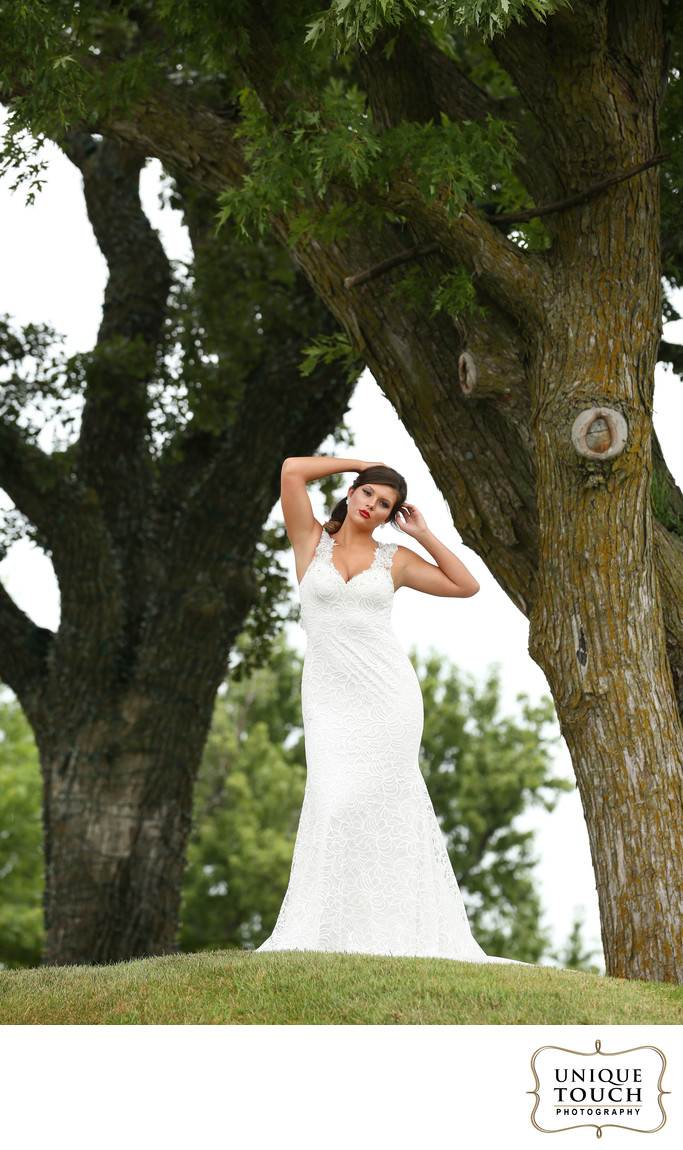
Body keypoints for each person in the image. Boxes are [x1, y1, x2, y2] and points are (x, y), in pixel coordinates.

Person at [255, 456, 514, 963]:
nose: (372, 505)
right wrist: (364, 464)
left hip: (388, 697)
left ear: (392, 514)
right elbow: (290, 470)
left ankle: (392, 934)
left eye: (385, 504)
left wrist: (425, 534)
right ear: (352, 492)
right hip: (328, 700)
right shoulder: (310, 540)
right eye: (368, 493)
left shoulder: (394, 559)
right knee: (333, 803)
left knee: (385, 809)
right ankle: (327, 932)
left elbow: (466, 586)